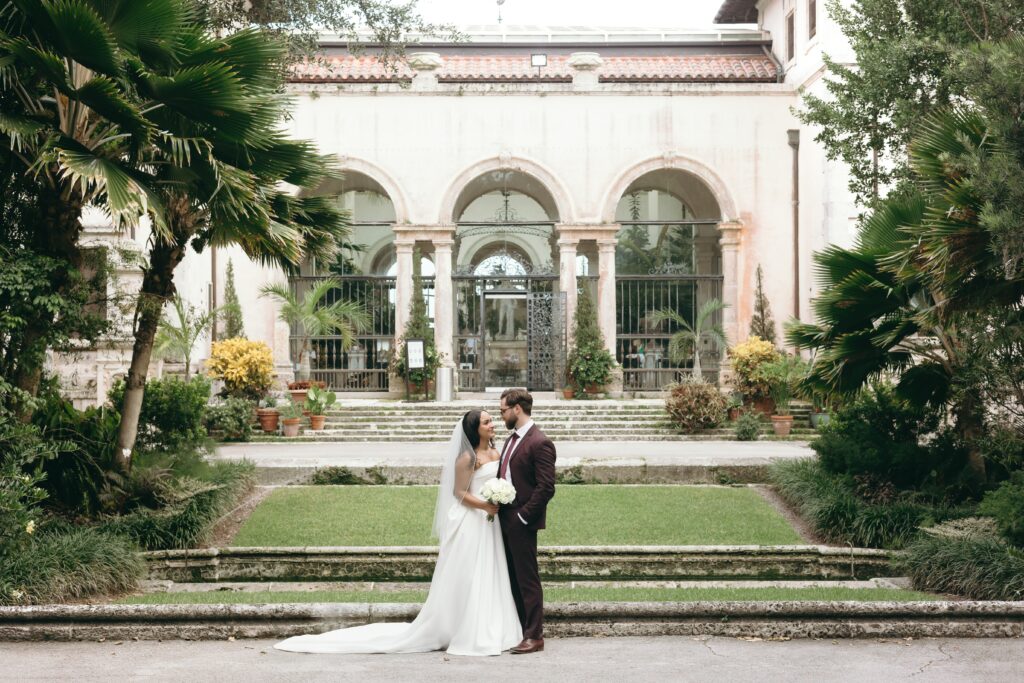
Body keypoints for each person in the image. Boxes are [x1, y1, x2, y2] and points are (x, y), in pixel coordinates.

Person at [274, 409, 522, 656]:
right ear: (474, 428)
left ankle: (494, 626)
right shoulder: (467, 458)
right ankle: (466, 629)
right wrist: (485, 505)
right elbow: (459, 493)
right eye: (487, 422)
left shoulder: (495, 451)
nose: (492, 425)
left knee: (491, 571)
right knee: (471, 574)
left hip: (489, 523)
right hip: (473, 520)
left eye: (491, 420)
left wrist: (498, 498)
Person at [497, 388, 557, 654]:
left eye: (503, 411)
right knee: (511, 577)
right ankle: (520, 630)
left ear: (517, 409)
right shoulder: (511, 440)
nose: (501, 416)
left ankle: (535, 635)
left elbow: (546, 488)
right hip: (504, 518)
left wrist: (522, 516)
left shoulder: (539, 442)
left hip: (521, 521)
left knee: (527, 579)